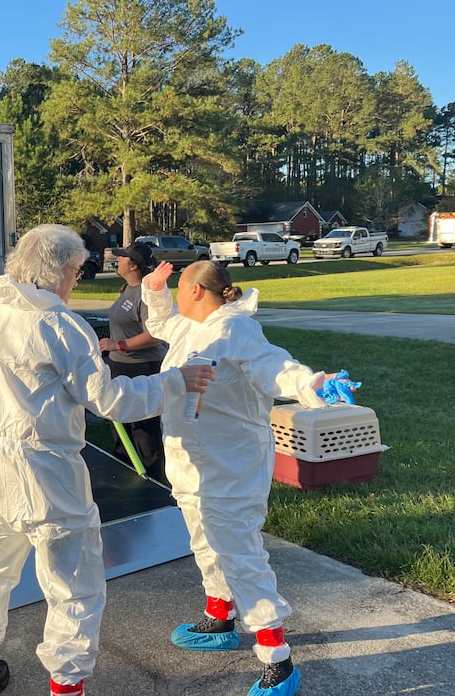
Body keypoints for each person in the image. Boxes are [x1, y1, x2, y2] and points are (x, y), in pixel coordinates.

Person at [0, 224, 215, 696]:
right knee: (72, 581)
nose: (77, 281)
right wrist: (177, 382)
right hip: (45, 470)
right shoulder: (60, 326)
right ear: (59, 270)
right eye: (76, 271)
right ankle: (66, 686)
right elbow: (111, 402)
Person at [142, 260, 328, 696]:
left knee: (240, 554)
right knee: (204, 541)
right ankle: (218, 616)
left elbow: (275, 366)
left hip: (231, 465)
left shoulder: (236, 331)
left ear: (195, 292)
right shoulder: (194, 326)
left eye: (176, 286)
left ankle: (277, 658)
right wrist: (154, 289)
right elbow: (162, 321)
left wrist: (311, 384)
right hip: (193, 462)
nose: (173, 294)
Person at [96, 242, 168, 482]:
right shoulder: (126, 288)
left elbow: (155, 335)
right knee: (120, 421)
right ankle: (124, 471)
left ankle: (155, 481)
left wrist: (118, 345)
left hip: (142, 367)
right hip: (120, 366)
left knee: (144, 427)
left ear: (134, 265)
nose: (118, 260)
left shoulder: (146, 294)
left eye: (123, 258)